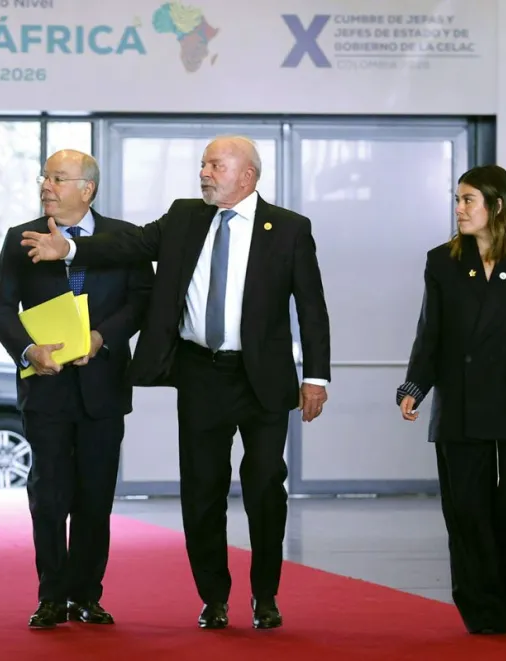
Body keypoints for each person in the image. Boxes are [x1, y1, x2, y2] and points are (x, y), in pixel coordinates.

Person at [20, 136, 331, 630]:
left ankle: (265, 594)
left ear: (247, 176)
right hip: (201, 372)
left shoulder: (289, 229)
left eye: (215, 165)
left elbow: (311, 308)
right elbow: (132, 242)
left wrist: (315, 376)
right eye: (203, 164)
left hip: (263, 379)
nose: (204, 172)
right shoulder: (186, 216)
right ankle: (214, 597)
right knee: (202, 491)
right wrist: (72, 245)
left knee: (265, 486)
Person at [395, 164, 506, 635]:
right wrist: (415, 386)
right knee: (468, 509)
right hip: (460, 401)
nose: (459, 208)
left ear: (497, 205)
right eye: (457, 199)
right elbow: (429, 333)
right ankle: (482, 607)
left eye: (468, 199)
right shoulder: (442, 261)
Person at [0, 149, 154, 629]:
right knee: (49, 494)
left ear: (87, 188)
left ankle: (87, 594)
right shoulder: (22, 239)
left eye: (58, 178)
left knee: (95, 497)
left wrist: (102, 337)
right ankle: (51, 595)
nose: (46, 186)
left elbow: (141, 303)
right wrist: (27, 351)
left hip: (103, 385)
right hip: (46, 388)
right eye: (44, 177)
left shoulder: (124, 239)